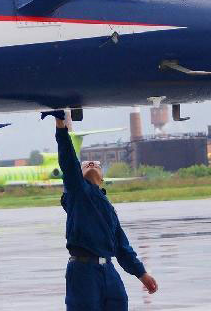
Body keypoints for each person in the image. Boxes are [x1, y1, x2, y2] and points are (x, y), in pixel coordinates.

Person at [43, 110, 157, 310]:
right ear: (79, 174)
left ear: (102, 177)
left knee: (121, 303)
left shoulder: (109, 209)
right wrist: (61, 126)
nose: (92, 163)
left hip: (109, 270)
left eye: (96, 163)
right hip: (83, 271)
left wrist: (142, 273)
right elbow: (68, 161)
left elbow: (122, 247)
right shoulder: (78, 192)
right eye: (86, 163)